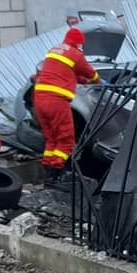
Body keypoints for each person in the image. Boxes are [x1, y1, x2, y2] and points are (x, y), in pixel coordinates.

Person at [32, 27, 98, 185]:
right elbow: (89, 72)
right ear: (79, 43)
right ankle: (56, 173)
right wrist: (97, 80)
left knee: (51, 139)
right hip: (56, 101)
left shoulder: (55, 50)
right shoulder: (76, 53)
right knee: (66, 140)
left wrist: (82, 80)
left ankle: (48, 172)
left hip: (39, 99)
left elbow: (67, 73)